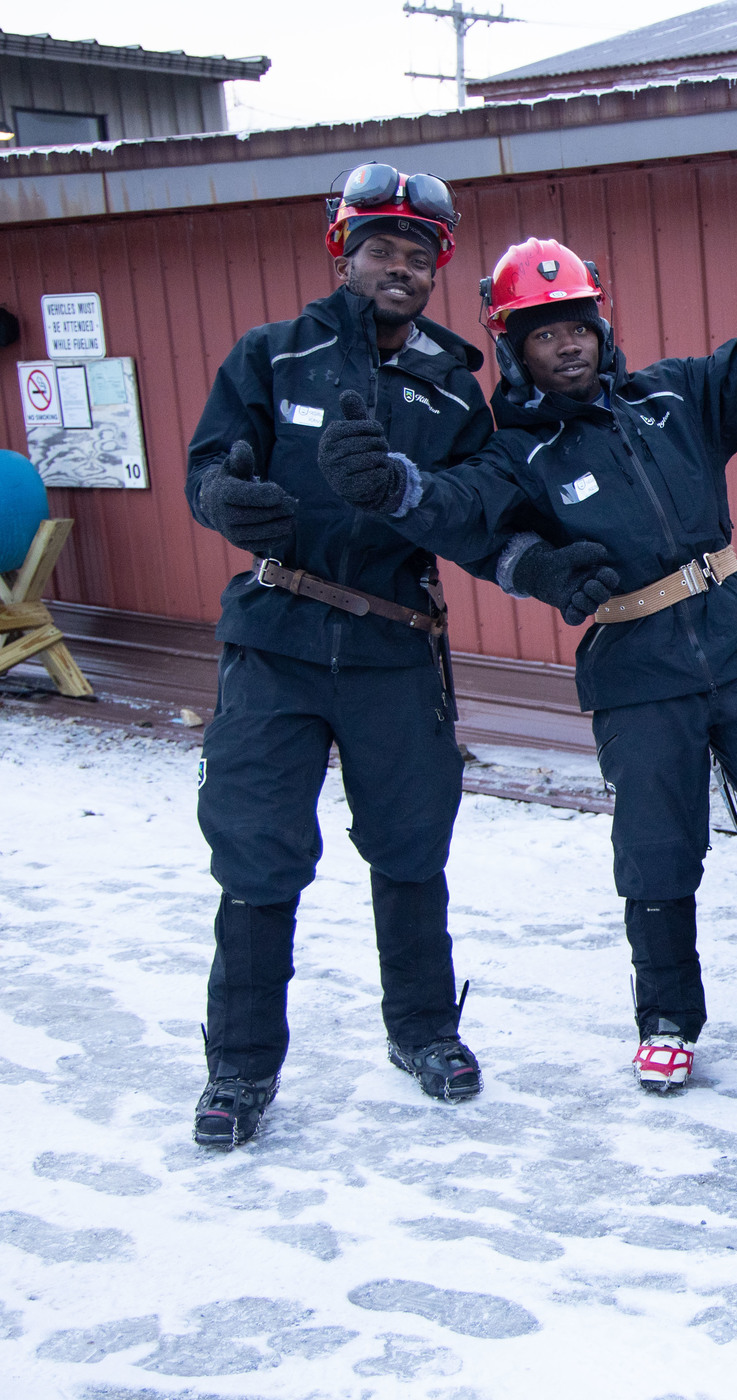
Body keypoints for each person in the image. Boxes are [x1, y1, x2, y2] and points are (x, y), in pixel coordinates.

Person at [313, 208, 737, 1091]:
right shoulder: (518, 452)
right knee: (658, 849)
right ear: (513, 349)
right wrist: (390, 487)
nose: (566, 348)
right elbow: (459, 509)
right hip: (636, 668)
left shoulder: (676, 397)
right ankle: (668, 1016)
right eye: (543, 336)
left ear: (603, 330)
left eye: (578, 328)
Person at [183, 164, 496, 1148]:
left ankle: (425, 1031)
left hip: (393, 645)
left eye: (417, 255)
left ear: (435, 269)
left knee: (411, 850)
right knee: (258, 858)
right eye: (379, 250)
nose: (397, 269)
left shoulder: (455, 391)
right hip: (274, 639)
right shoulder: (272, 357)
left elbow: (479, 507)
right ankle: (238, 1068)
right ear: (343, 253)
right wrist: (223, 503)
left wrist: (414, 493)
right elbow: (206, 466)